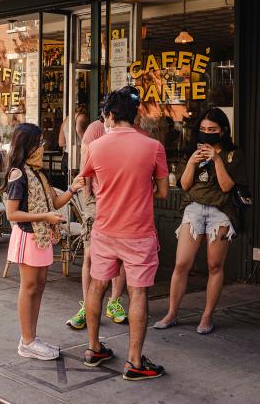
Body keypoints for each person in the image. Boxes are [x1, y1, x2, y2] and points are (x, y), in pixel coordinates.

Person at [80, 88, 168, 381]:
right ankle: (134, 361)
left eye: (105, 114)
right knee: (138, 292)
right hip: (138, 232)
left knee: (97, 286)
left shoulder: (96, 147)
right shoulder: (153, 146)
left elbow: (87, 184)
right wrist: (142, 189)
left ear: (112, 115)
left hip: (105, 229)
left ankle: (93, 348)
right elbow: (164, 192)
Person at [154, 108, 246, 335]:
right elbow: (184, 185)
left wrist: (216, 159)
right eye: (203, 129)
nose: (207, 134)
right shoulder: (193, 152)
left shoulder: (233, 155)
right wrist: (193, 163)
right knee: (182, 264)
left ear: (223, 131)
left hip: (220, 212)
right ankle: (172, 313)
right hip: (194, 210)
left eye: (212, 130)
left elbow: (226, 187)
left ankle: (207, 316)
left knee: (215, 265)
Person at [4, 123, 85, 360]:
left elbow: (55, 203)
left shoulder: (38, 172)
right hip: (28, 236)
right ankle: (27, 341)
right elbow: (12, 214)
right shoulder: (18, 173)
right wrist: (45, 217)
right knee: (29, 288)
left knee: (38, 287)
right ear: (27, 145)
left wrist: (72, 189)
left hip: (40, 236)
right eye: (38, 143)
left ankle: (31, 337)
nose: (42, 147)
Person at [66, 105, 129, 330]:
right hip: (96, 200)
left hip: (120, 202)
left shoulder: (130, 131)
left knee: (118, 256)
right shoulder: (95, 129)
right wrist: (89, 201)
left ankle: (114, 302)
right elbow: (85, 166)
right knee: (90, 254)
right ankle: (87, 306)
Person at [58, 102, 88, 170]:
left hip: (66, 157)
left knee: (68, 180)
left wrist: (69, 143)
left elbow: (61, 143)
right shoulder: (81, 116)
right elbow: (78, 129)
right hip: (77, 156)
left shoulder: (66, 119)